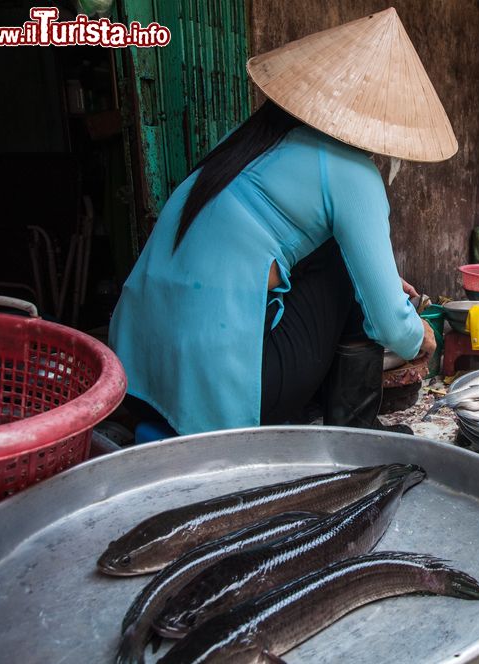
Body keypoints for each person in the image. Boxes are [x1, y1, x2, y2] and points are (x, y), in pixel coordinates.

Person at [109, 9, 452, 436]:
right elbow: (389, 326)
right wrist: (418, 334)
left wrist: (381, 279)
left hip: (135, 375)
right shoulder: (350, 171)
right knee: (348, 272)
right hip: (219, 393)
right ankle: (356, 431)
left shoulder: (246, 143)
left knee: (342, 261)